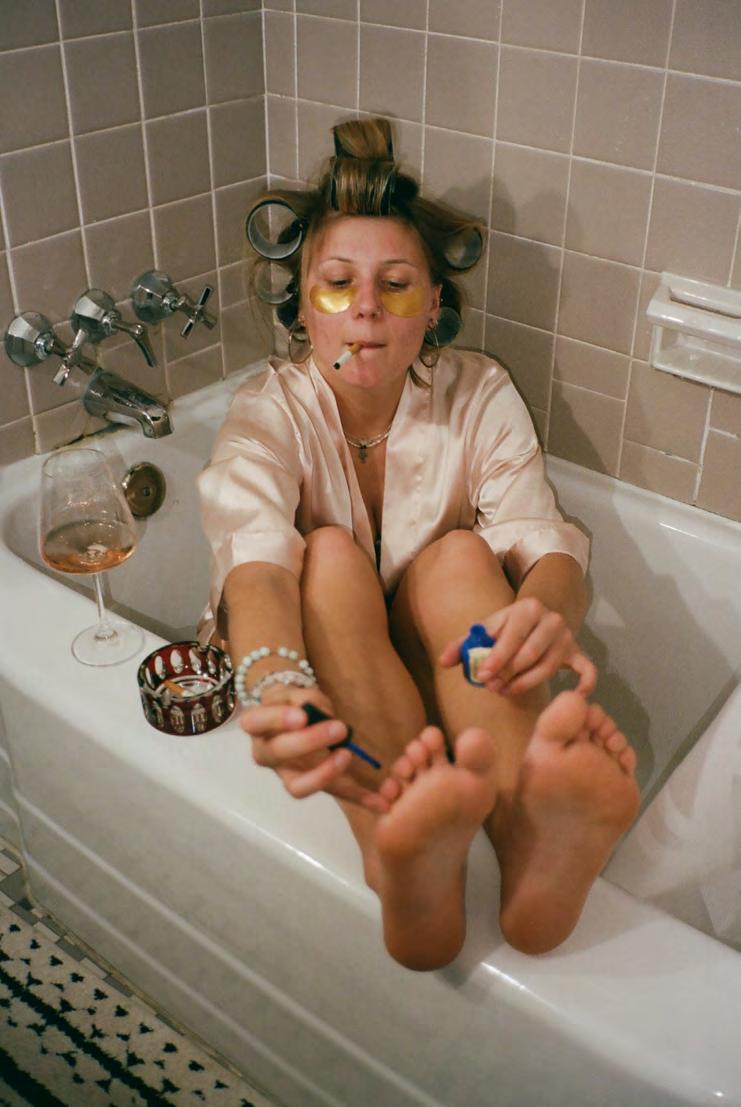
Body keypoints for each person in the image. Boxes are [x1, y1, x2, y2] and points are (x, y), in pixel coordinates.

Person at [197, 117, 639, 970]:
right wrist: (275, 681)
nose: (366, 307)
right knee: (325, 556)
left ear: (432, 306)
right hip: (337, 689)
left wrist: (547, 611)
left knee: (461, 560)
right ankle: (395, 840)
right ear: (303, 307)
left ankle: (528, 835)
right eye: (337, 284)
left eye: (395, 285)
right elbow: (254, 563)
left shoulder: (478, 391)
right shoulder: (267, 413)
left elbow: (542, 540)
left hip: (449, 674)